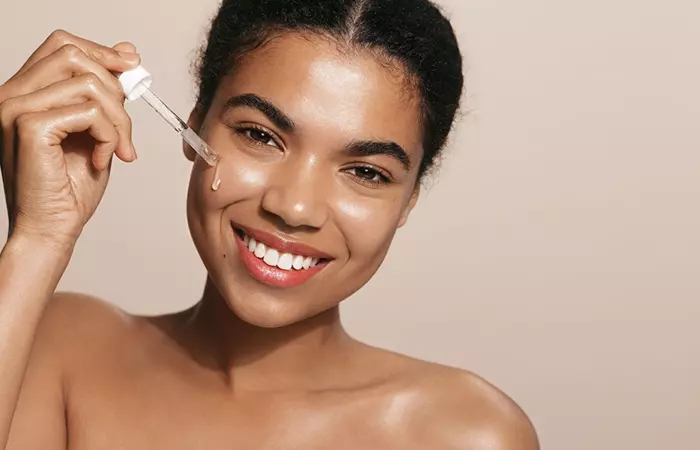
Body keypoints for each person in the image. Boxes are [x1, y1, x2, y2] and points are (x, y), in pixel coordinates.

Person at [0, 0, 539, 448]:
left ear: (408, 200)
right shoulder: (59, 349)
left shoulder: (465, 434)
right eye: (261, 136)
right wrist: (39, 237)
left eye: (366, 172)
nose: (295, 208)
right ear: (194, 125)